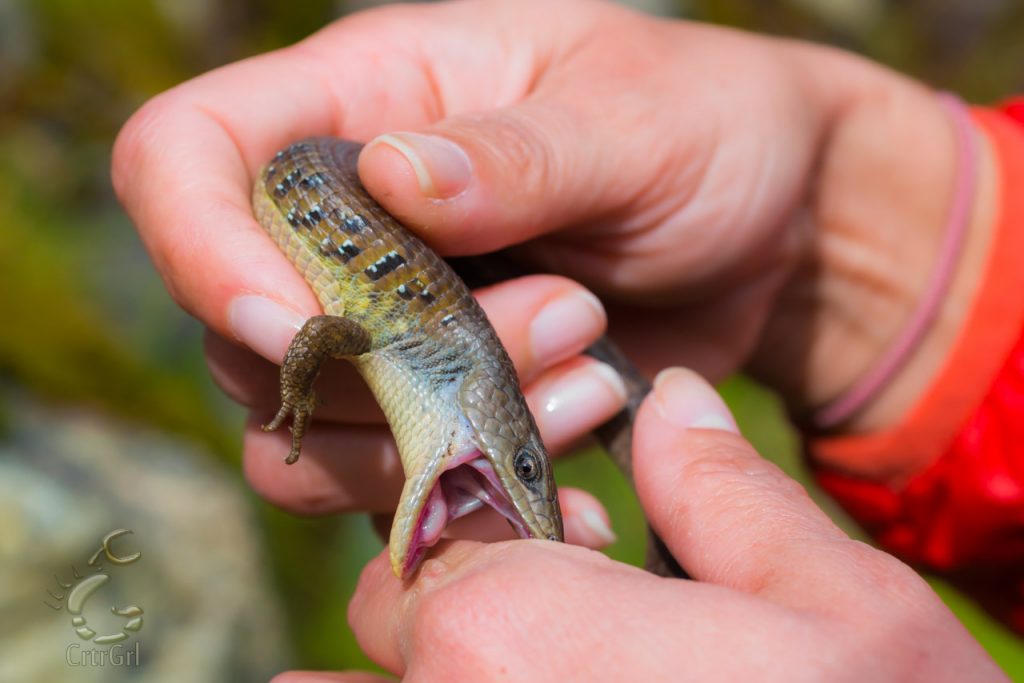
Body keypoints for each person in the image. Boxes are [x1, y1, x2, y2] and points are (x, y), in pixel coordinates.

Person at [111, 0, 1024, 680]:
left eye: (530, 470)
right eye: (529, 469)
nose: (530, 497)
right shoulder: (406, 341)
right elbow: (320, 334)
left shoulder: (408, 345)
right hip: (323, 185)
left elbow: (324, 335)